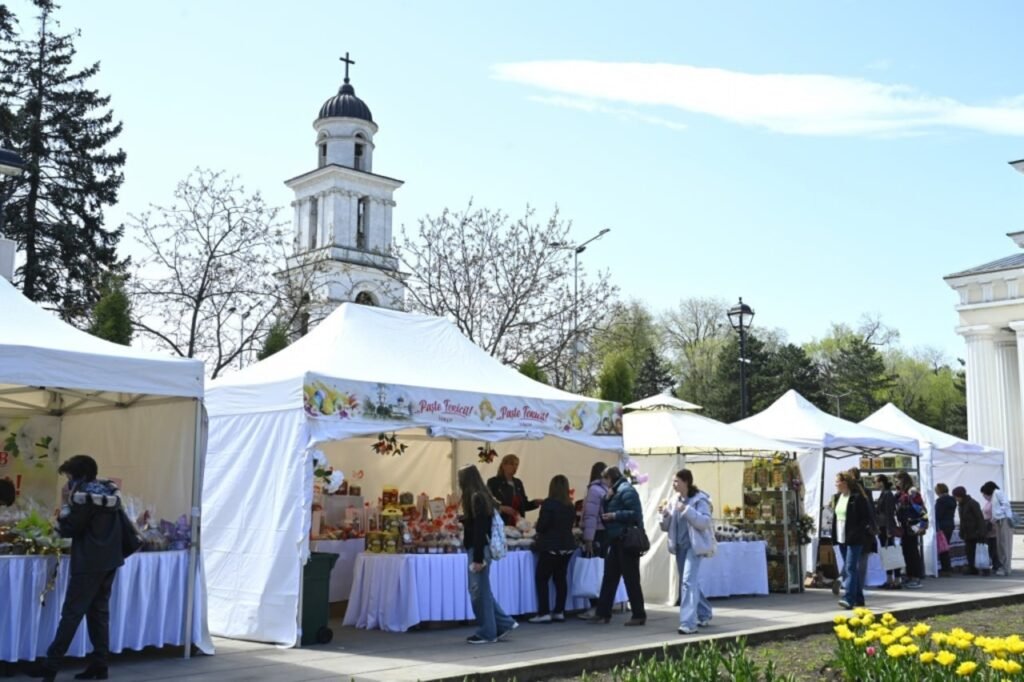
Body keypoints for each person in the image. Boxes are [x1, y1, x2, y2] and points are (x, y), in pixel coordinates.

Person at [32, 455, 126, 682]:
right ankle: (100, 665)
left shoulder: (84, 499)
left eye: (69, 477)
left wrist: (65, 506)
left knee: (72, 614)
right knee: (99, 613)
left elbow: (69, 528)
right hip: (109, 560)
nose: (68, 482)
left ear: (80, 476)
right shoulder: (108, 494)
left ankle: (50, 667)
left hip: (89, 562)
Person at [458, 464, 517, 644]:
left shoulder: (477, 498)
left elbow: (480, 530)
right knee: (483, 590)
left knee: (478, 593)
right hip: (480, 549)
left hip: (480, 550)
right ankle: (503, 623)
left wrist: (477, 558)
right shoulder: (481, 497)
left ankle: (487, 631)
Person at [588, 466, 646, 626]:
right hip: (616, 539)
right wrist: (607, 499)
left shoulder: (626, 490)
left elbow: (636, 514)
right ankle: (603, 613)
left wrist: (616, 515)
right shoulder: (616, 490)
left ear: (610, 478)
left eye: (605, 480)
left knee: (631, 579)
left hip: (626, 539)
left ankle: (639, 614)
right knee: (610, 577)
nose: (604, 483)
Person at [659, 469, 714, 635]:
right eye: (673, 481)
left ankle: (688, 623)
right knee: (690, 582)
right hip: (680, 546)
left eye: (676, 481)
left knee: (688, 582)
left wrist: (686, 510)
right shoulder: (674, 500)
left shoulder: (700, 500)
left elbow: (705, 522)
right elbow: (665, 527)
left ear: (686, 482)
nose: (674, 485)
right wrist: (664, 515)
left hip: (694, 547)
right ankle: (704, 612)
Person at [529, 475, 576, 623]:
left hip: (551, 546)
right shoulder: (570, 505)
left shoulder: (549, 504)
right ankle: (559, 611)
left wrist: (538, 526)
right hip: (567, 546)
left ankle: (544, 612)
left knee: (542, 578)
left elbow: (542, 526)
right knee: (560, 578)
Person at [830, 471, 873, 609]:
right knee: (851, 568)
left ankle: (849, 598)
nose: (836, 484)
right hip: (842, 537)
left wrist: (856, 532)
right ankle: (859, 598)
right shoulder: (837, 497)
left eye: (838, 481)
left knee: (849, 568)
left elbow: (865, 518)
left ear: (845, 482)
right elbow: (837, 518)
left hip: (854, 538)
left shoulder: (857, 497)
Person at [577, 461, 607, 620]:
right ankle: (602, 606)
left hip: (596, 534)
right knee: (601, 571)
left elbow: (590, 516)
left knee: (593, 570)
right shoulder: (606, 489)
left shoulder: (594, 490)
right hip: (604, 534)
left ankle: (595, 606)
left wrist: (588, 539)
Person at [487, 454, 541, 526]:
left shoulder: (518, 483)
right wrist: (501, 508)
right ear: (504, 466)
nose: (515, 467)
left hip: (517, 524)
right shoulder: (493, 482)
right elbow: (487, 502)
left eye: (516, 465)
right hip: (500, 523)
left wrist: (534, 503)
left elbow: (524, 505)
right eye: (512, 464)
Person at [981, 481, 1014, 577]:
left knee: (1004, 545)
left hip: (1004, 521)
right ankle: (1004, 567)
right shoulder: (994, 495)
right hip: (999, 521)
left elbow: (1006, 505)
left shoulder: (998, 493)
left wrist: (999, 514)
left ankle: (1006, 568)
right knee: (1000, 545)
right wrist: (993, 519)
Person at [953, 486, 987, 575]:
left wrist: (981, 531)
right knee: (969, 552)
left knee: (977, 551)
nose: (956, 499)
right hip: (967, 533)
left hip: (975, 532)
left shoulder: (973, 503)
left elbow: (979, 518)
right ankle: (973, 568)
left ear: (960, 496)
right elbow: (962, 520)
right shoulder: (961, 505)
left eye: (956, 497)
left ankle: (982, 568)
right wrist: (962, 531)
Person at [873, 474, 899, 589]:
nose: (875, 484)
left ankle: (896, 579)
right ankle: (889, 578)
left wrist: (889, 529)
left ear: (881, 482)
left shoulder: (887, 494)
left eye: (876, 482)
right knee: (887, 553)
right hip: (883, 526)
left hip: (886, 527)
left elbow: (889, 513)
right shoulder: (884, 493)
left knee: (891, 553)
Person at [934, 483, 957, 575]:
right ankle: (947, 567)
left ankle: (946, 569)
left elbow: (938, 515)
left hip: (942, 526)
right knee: (945, 547)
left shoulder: (940, 501)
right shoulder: (952, 500)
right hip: (950, 525)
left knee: (942, 548)